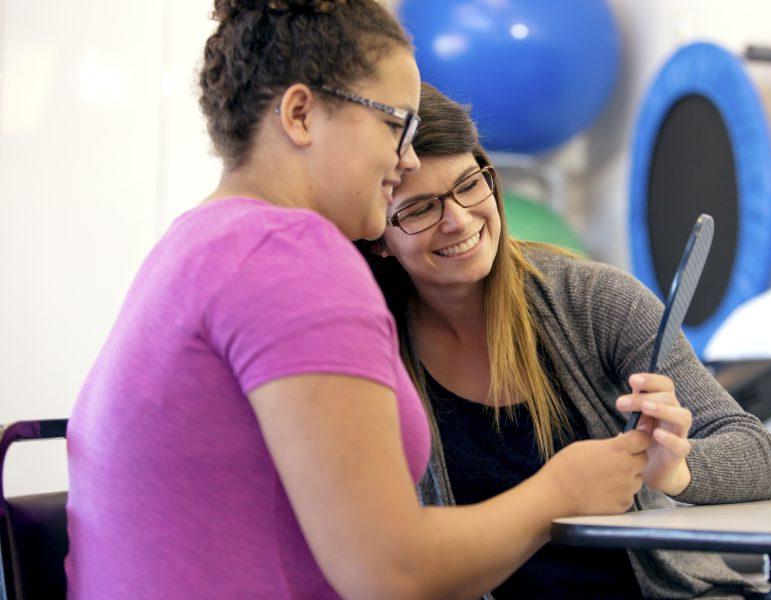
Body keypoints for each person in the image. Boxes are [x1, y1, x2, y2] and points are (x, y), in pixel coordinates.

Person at [65, 2, 654, 599]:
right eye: (395, 124)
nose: (408, 158)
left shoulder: (199, 242)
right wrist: (559, 492)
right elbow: (392, 574)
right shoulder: (288, 253)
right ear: (300, 115)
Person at [363, 83, 771, 599]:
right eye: (420, 209)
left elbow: (759, 457)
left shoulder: (592, 300)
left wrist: (676, 467)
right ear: (378, 236)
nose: (458, 219)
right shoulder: (368, 347)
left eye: (469, 184)